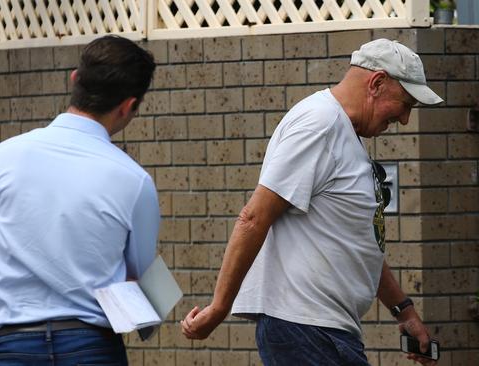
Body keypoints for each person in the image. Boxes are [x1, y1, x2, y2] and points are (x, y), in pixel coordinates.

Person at [181, 38, 442, 365]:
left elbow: (358, 243)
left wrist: (405, 312)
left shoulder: (344, 133)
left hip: (324, 331)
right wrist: (219, 308)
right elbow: (254, 217)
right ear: (377, 83)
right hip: (305, 330)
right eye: (405, 103)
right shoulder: (320, 124)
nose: (404, 119)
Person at [0, 36, 158, 366]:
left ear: (74, 78)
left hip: (9, 344)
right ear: (129, 105)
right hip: (91, 346)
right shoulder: (135, 181)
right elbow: (141, 276)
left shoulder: (0, 158)